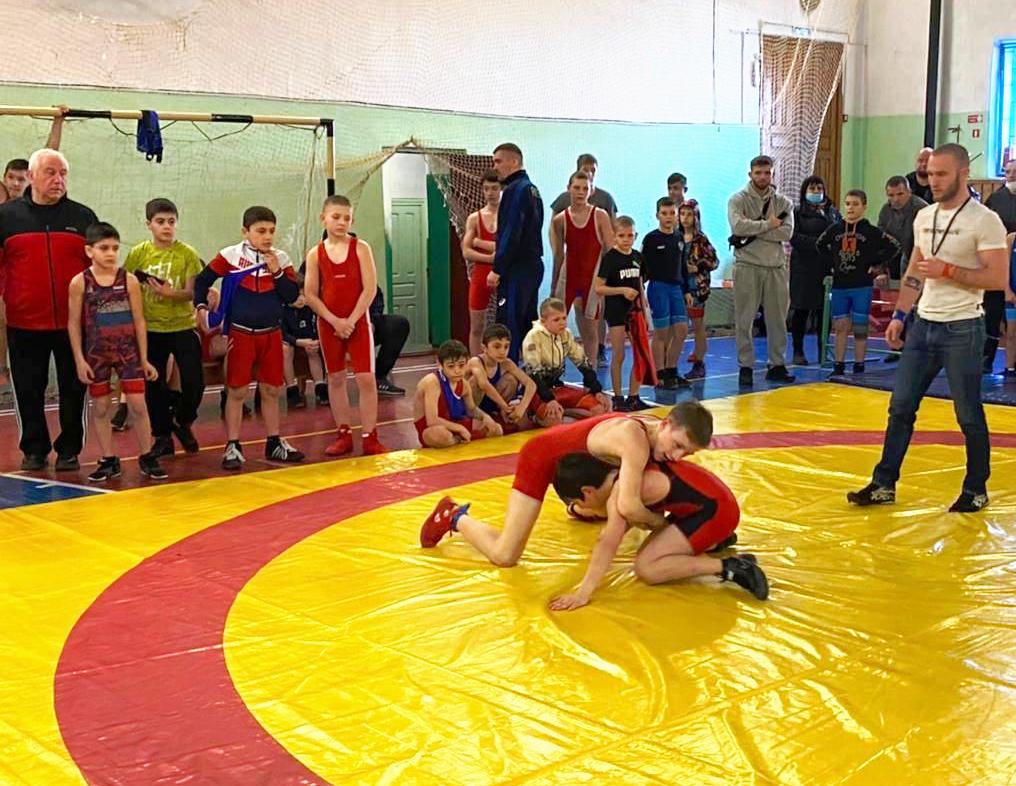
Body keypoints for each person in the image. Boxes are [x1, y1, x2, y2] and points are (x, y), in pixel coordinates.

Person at [848, 144, 1008, 513]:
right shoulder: (925, 217)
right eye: (930, 174)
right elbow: (915, 272)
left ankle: (976, 488)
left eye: (941, 174)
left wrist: (948, 270)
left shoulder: (985, 220)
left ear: (963, 174)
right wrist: (900, 315)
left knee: (968, 414)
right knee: (900, 407)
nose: (933, 181)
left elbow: (997, 278)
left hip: (963, 327)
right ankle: (884, 483)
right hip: (923, 325)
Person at [419, 401, 714, 567]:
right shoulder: (634, 439)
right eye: (677, 445)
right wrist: (668, 527)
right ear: (665, 424)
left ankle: (583, 508)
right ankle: (454, 516)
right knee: (504, 556)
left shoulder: (655, 433)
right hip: (540, 458)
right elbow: (629, 506)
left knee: (631, 489)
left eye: (686, 453)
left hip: (579, 465)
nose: (677, 456)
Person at [547, 452, 767, 610]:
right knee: (652, 546)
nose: (584, 509)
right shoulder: (627, 467)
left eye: (579, 503)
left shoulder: (620, 494)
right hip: (709, 505)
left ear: (587, 491)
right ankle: (715, 541)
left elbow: (607, 542)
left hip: (717, 512)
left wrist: (582, 593)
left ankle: (733, 567)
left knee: (648, 567)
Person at [0, 149, 97, 471]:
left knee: (73, 389)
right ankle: (34, 449)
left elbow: (97, 267)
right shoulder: (6, 217)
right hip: (23, 323)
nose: (58, 180)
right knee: (28, 390)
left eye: (63, 174)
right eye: (50, 173)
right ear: (31, 176)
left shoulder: (83, 217)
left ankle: (69, 450)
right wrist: (11, 296)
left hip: (74, 324)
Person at [194, 205, 306, 470]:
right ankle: (232, 445)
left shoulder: (281, 258)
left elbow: (291, 296)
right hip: (241, 334)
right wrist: (201, 306)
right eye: (261, 231)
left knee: (271, 390)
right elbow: (202, 280)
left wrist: (277, 271)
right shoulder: (231, 256)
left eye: (271, 231)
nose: (267, 236)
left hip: (271, 334)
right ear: (245, 232)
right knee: (236, 391)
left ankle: (274, 442)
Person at [66, 223, 167, 482]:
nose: (110, 253)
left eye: (114, 248)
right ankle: (108, 458)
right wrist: (79, 360)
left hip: (127, 352)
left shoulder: (128, 280)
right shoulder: (80, 282)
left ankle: (147, 455)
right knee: (101, 408)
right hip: (96, 354)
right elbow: (73, 323)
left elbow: (139, 321)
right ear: (89, 251)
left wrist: (144, 358)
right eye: (104, 248)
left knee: (138, 404)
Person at [304, 195, 387, 456]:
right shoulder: (315, 254)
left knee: (366, 378)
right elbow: (310, 295)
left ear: (353, 220)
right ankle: (344, 435)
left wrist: (350, 321)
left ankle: (370, 436)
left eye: (347, 218)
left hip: (357, 322)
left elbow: (370, 289)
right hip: (329, 325)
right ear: (323, 218)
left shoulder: (361, 248)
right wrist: (335, 321)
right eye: (336, 217)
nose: (341, 222)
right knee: (336, 377)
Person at [123, 197, 205, 457]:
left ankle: (182, 419)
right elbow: (126, 284)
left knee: (194, 382)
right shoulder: (138, 253)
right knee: (154, 385)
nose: (167, 227)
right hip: (151, 329)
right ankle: (162, 435)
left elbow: (192, 292)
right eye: (160, 222)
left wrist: (171, 294)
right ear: (149, 224)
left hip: (182, 326)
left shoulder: (187, 253)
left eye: (171, 221)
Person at [728, 155, 796, 387]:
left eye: (767, 172)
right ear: (750, 174)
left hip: (775, 266)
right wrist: (768, 224)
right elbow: (738, 226)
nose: (763, 177)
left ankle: (777, 364)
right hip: (747, 265)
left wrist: (754, 229)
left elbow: (786, 233)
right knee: (744, 319)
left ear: (773, 174)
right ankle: (745, 366)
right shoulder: (737, 199)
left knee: (778, 319)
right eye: (758, 173)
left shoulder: (784, 203)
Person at [816, 189, 899, 375]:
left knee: (861, 328)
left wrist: (876, 264)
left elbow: (894, 247)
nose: (850, 208)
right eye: (847, 204)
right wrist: (832, 263)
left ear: (864, 206)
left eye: (855, 204)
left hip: (862, 285)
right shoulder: (835, 229)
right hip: (840, 285)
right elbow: (819, 245)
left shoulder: (871, 231)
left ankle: (859, 365)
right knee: (840, 326)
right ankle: (838, 365)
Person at [550, 170, 614, 364]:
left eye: (585, 189)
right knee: (554, 328)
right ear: (568, 189)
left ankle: (590, 374)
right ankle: (554, 371)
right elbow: (558, 255)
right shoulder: (560, 220)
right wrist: (553, 285)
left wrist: (606, 283)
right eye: (576, 188)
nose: (580, 192)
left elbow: (610, 252)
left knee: (590, 330)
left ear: (591, 191)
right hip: (568, 278)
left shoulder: (600, 216)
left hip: (592, 279)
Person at [489, 143, 544, 361]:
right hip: (532, 265)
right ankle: (534, 373)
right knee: (528, 324)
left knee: (509, 324)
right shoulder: (532, 189)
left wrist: (498, 268)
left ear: (514, 162)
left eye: (498, 161)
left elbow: (512, 232)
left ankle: (508, 374)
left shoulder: (515, 190)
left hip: (518, 268)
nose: (495, 167)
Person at [595, 215, 654, 411]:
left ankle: (634, 396)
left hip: (635, 312)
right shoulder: (610, 258)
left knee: (640, 353)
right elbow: (599, 287)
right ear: (614, 236)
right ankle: (618, 396)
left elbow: (639, 283)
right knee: (619, 354)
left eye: (630, 235)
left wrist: (644, 308)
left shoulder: (637, 257)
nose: (626, 239)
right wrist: (621, 291)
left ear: (635, 236)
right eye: (622, 236)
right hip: (616, 312)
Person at [522, 297, 611, 425]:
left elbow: (583, 363)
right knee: (554, 419)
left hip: (558, 387)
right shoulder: (533, 337)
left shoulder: (566, 334)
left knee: (600, 409)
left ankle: (565, 411)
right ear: (543, 321)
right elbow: (533, 374)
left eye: (564, 318)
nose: (562, 323)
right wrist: (549, 400)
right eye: (556, 320)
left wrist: (596, 390)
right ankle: (535, 416)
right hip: (538, 392)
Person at [790, 175, 841, 365]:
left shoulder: (832, 212)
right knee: (801, 310)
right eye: (812, 188)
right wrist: (819, 243)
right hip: (803, 267)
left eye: (819, 188)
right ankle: (798, 351)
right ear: (804, 191)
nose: (816, 192)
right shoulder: (796, 213)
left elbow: (838, 233)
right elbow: (794, 237)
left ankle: (823, 351)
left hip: (825, 267)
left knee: (824, 312)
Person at [413, 339, 502, 447]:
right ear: (440, 364)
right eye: (451, 366)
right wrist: (460, 428)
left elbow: (471, 409)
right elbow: (432, 421)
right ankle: (460, 439)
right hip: (433, 429)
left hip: (454, 425)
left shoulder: (464, 384)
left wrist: (485, 417)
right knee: (439, 435)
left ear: (467, 362)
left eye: (461, 365)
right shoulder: (432, 382)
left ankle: (458, 439)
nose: (457, 371)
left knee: (496, 429)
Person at [642, 197, 692, 389]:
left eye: (672, 213)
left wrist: (686, 290)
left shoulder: (679, 237)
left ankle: (672, 369)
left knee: (681, 330)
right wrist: (640, 291)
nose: (669, 217)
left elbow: (682, 265)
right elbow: (643, 268)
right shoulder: (651, 239)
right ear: (657, 215)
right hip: (658, 287)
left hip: (676, 288)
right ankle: (660, 373)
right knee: (661, 332)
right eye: (664, 213)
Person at [467, 323, 541, 432]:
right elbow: (484, 385)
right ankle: (472, 416)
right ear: (484, 348)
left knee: (511, 379)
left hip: (492, 403)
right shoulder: (476, 362)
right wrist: (505, 406)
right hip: (470, 405)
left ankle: (500, 413)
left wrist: (522, 407)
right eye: (497, 346)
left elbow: (531, 384)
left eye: (506, 346)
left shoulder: (506, 363)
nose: (502, 351)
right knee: (475, 381)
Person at [678, 199, 719, 379]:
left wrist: (698, 266)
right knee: (678, 326)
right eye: (682, 214)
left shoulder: (701, 239)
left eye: (689, 214)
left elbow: (714, 261)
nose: (685, 218)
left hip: (697, 288)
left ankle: (699, 362)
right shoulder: (676, 237)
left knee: (698, 326)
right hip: (679, 286)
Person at [461, 170, 500, 354]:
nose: (490, 193)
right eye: (486, 189)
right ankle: (476, 364)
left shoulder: (509, 216)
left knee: (507, 324)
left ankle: (504, 363)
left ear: (501, 189)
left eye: (494, 188)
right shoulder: (475, 218)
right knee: (477, 327)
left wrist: (478, 242)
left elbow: (509, 248)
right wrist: (490, 258)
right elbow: (466, 251)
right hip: (481, 275)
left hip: (503, 275)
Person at [982, 161, 1016, 373]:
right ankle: (986, 358)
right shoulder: (995, 199)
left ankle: (1012, 364)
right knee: (992, 315)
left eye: (1015, 172)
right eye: (1008, 172)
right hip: (996, 264)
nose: (1011, 175)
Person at [281, 288, 327, 408]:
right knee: (286, 349)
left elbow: (317, 326)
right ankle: (292, 389)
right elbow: (282, 333)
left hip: (308, 338)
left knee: (312, 348)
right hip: (291, 340)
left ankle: (320, 387)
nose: (301, 299)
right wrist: (297, 342)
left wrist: (316, 340)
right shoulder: (282, 309)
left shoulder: (310, 308)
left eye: (303, 295)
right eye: (297, 296)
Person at [369, 286, 409, 396]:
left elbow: (376, 297)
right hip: (334, 326)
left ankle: (379, 377)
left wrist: (372, 322)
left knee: (399, 324)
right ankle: (325, 386)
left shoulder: (364, 276)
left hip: (364, 324)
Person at [549, 153, 618, 217]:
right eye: (585, 170)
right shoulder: (563, 199)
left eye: (593, 170)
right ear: (578, 171)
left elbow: (614, 224)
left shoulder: (606, 199)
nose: (590, 174)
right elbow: (553, 224)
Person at [1005, 232, 1016, 377]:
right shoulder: (1011, 239)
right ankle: (1010, 367)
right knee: (1011, 333)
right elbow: (1005, 268)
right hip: (1013, 295)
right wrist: (1007, 291)